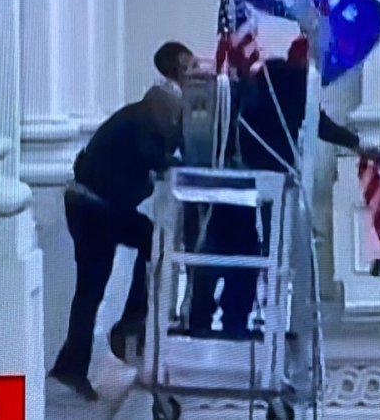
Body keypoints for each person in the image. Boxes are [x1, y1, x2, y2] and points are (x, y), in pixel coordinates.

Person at [48, 41, 197, 401]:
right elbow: (156, 159)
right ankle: (91, 352)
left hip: (99, 206)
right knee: (92, 288)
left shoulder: (145, 113)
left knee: (148, 240)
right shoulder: (151, 117)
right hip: (93, 209)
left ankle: (126, 324)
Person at [186, 36, 361, 338]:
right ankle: (238, 321)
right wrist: (357, 143)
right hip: (269, 183)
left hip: (232, 176)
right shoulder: (297, 88)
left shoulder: (259, 82)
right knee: (257, 253)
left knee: (220, 246)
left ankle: (201, 318)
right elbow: (321, 125)